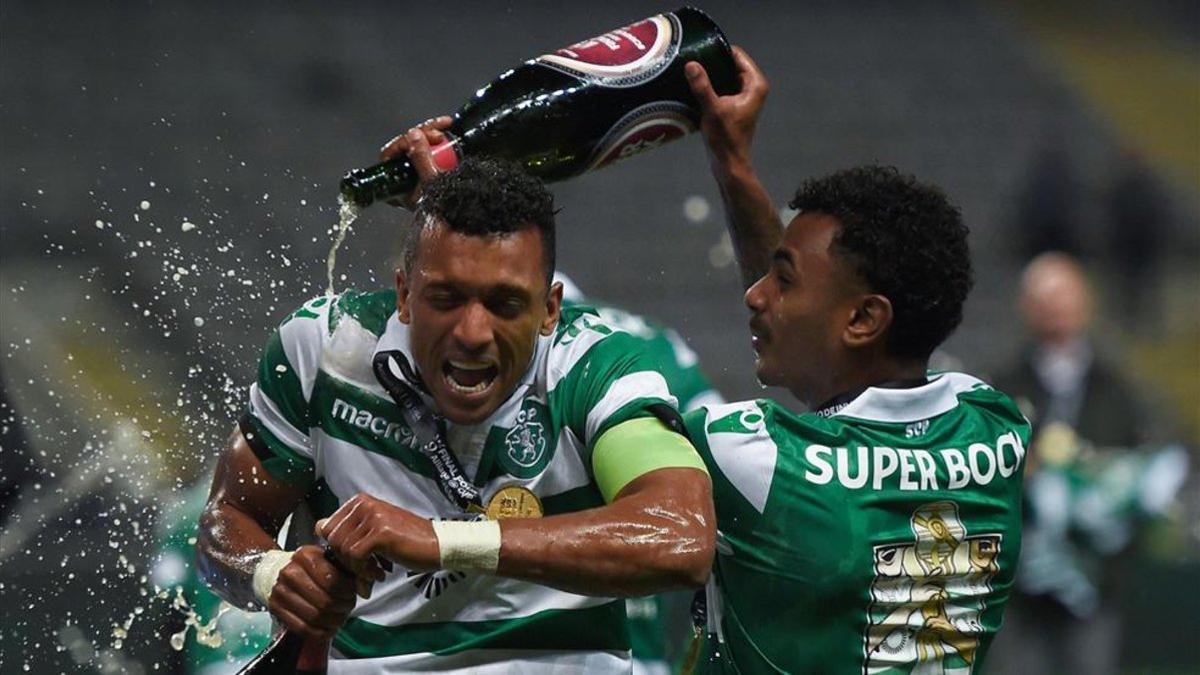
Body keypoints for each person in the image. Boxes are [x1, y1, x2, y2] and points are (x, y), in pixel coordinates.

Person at [197, 154, 715, 673]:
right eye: (445, 299)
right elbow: (226, 522)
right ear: (404, 293)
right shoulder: (324, 351)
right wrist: (270, 573)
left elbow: (682, 536)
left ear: (550, 309)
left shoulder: (594, 366)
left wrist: (440, 540)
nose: (472, 333)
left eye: (505, 304)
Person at [677, 48, 1031, 673]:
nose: (756, 295)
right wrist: (732, 163)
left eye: (782, 282)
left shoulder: (746, 456)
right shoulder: (996, 428)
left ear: (865, 319)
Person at [986, 253, 1185, 675]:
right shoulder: (1001, 386)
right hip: (1018, 582)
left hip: (1096, 577)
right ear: (1026, 307)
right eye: (1045, 298)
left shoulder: (1118, 387)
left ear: (1086, 303)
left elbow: (1146, 460)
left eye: (1065, 296)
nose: (1056, 308)